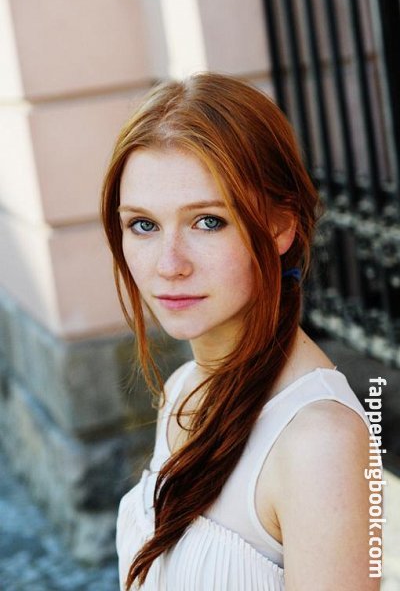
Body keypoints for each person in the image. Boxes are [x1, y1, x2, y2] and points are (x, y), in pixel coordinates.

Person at [101, 72, 382, 590]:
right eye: (144, 225)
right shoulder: (184, 388)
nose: (169, 264)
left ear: (280, 226)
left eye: (208, 221)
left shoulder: (319, 444)